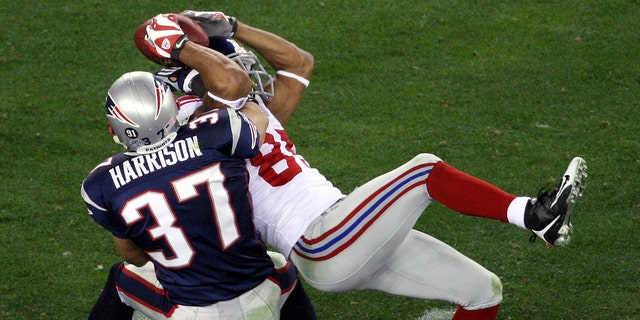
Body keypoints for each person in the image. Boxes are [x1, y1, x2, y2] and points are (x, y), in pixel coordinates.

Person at [133, 10, 587, 320]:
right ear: (193, 83)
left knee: (483, 291)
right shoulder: (204, 124)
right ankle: (535, 215)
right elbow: (229, 80)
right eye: (224, 59)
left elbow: (299, 62)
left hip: (350, 233)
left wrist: (235, 25)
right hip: (321, 239)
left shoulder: (240, 113)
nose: (243, 66)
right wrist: (181, 48)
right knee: (423, 171)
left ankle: (535, 218)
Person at [81, 14, 304, 320]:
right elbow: (258, 117)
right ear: (172, 107)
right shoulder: (217, 132)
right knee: (281, 268)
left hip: (191, 311)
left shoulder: (101, 183)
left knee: (124, 278)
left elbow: (132, 255)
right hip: (257, 295)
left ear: (114, 130)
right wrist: (237, 91)